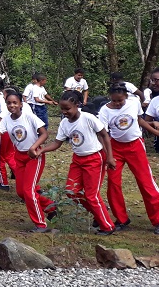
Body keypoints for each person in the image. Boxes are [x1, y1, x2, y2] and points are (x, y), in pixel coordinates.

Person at [35, 91, 116, 235]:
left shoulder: (88, 118)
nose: (64, 112)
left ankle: (107, 226)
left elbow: (104, 135)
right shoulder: (64, 123)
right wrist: (42, 150)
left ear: (77, 105)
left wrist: (109, 157)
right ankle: (98, 213)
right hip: (77, 160)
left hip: (94, 159)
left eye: (68, 108)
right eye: (62, 108)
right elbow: (57, 142)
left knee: (92, 195)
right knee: (71, 191)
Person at [0, 89, 54, 232]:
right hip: (19, 157)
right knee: (21, 192)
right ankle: (51, 206)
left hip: (34, 156)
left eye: (15, 103)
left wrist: (34, 147)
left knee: (29, 190)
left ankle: (40, 224)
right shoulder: (6, 118)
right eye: (9, 103)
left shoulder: (29, 117)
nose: (12, 105)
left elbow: (44, 134)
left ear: (21, 104)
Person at [97, 84, 159, 234]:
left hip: (135, 146)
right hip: (115, 147)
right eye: (114, 101)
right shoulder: (105, 111)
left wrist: (154, 131)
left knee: (145, 181)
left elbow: (139, 120)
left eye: (120, 100)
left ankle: (158, 219)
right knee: (113, 183)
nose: (118, 104)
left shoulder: (134, 103)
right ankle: (121, 218)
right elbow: (103, 135)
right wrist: (109, 156)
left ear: (126, 96)